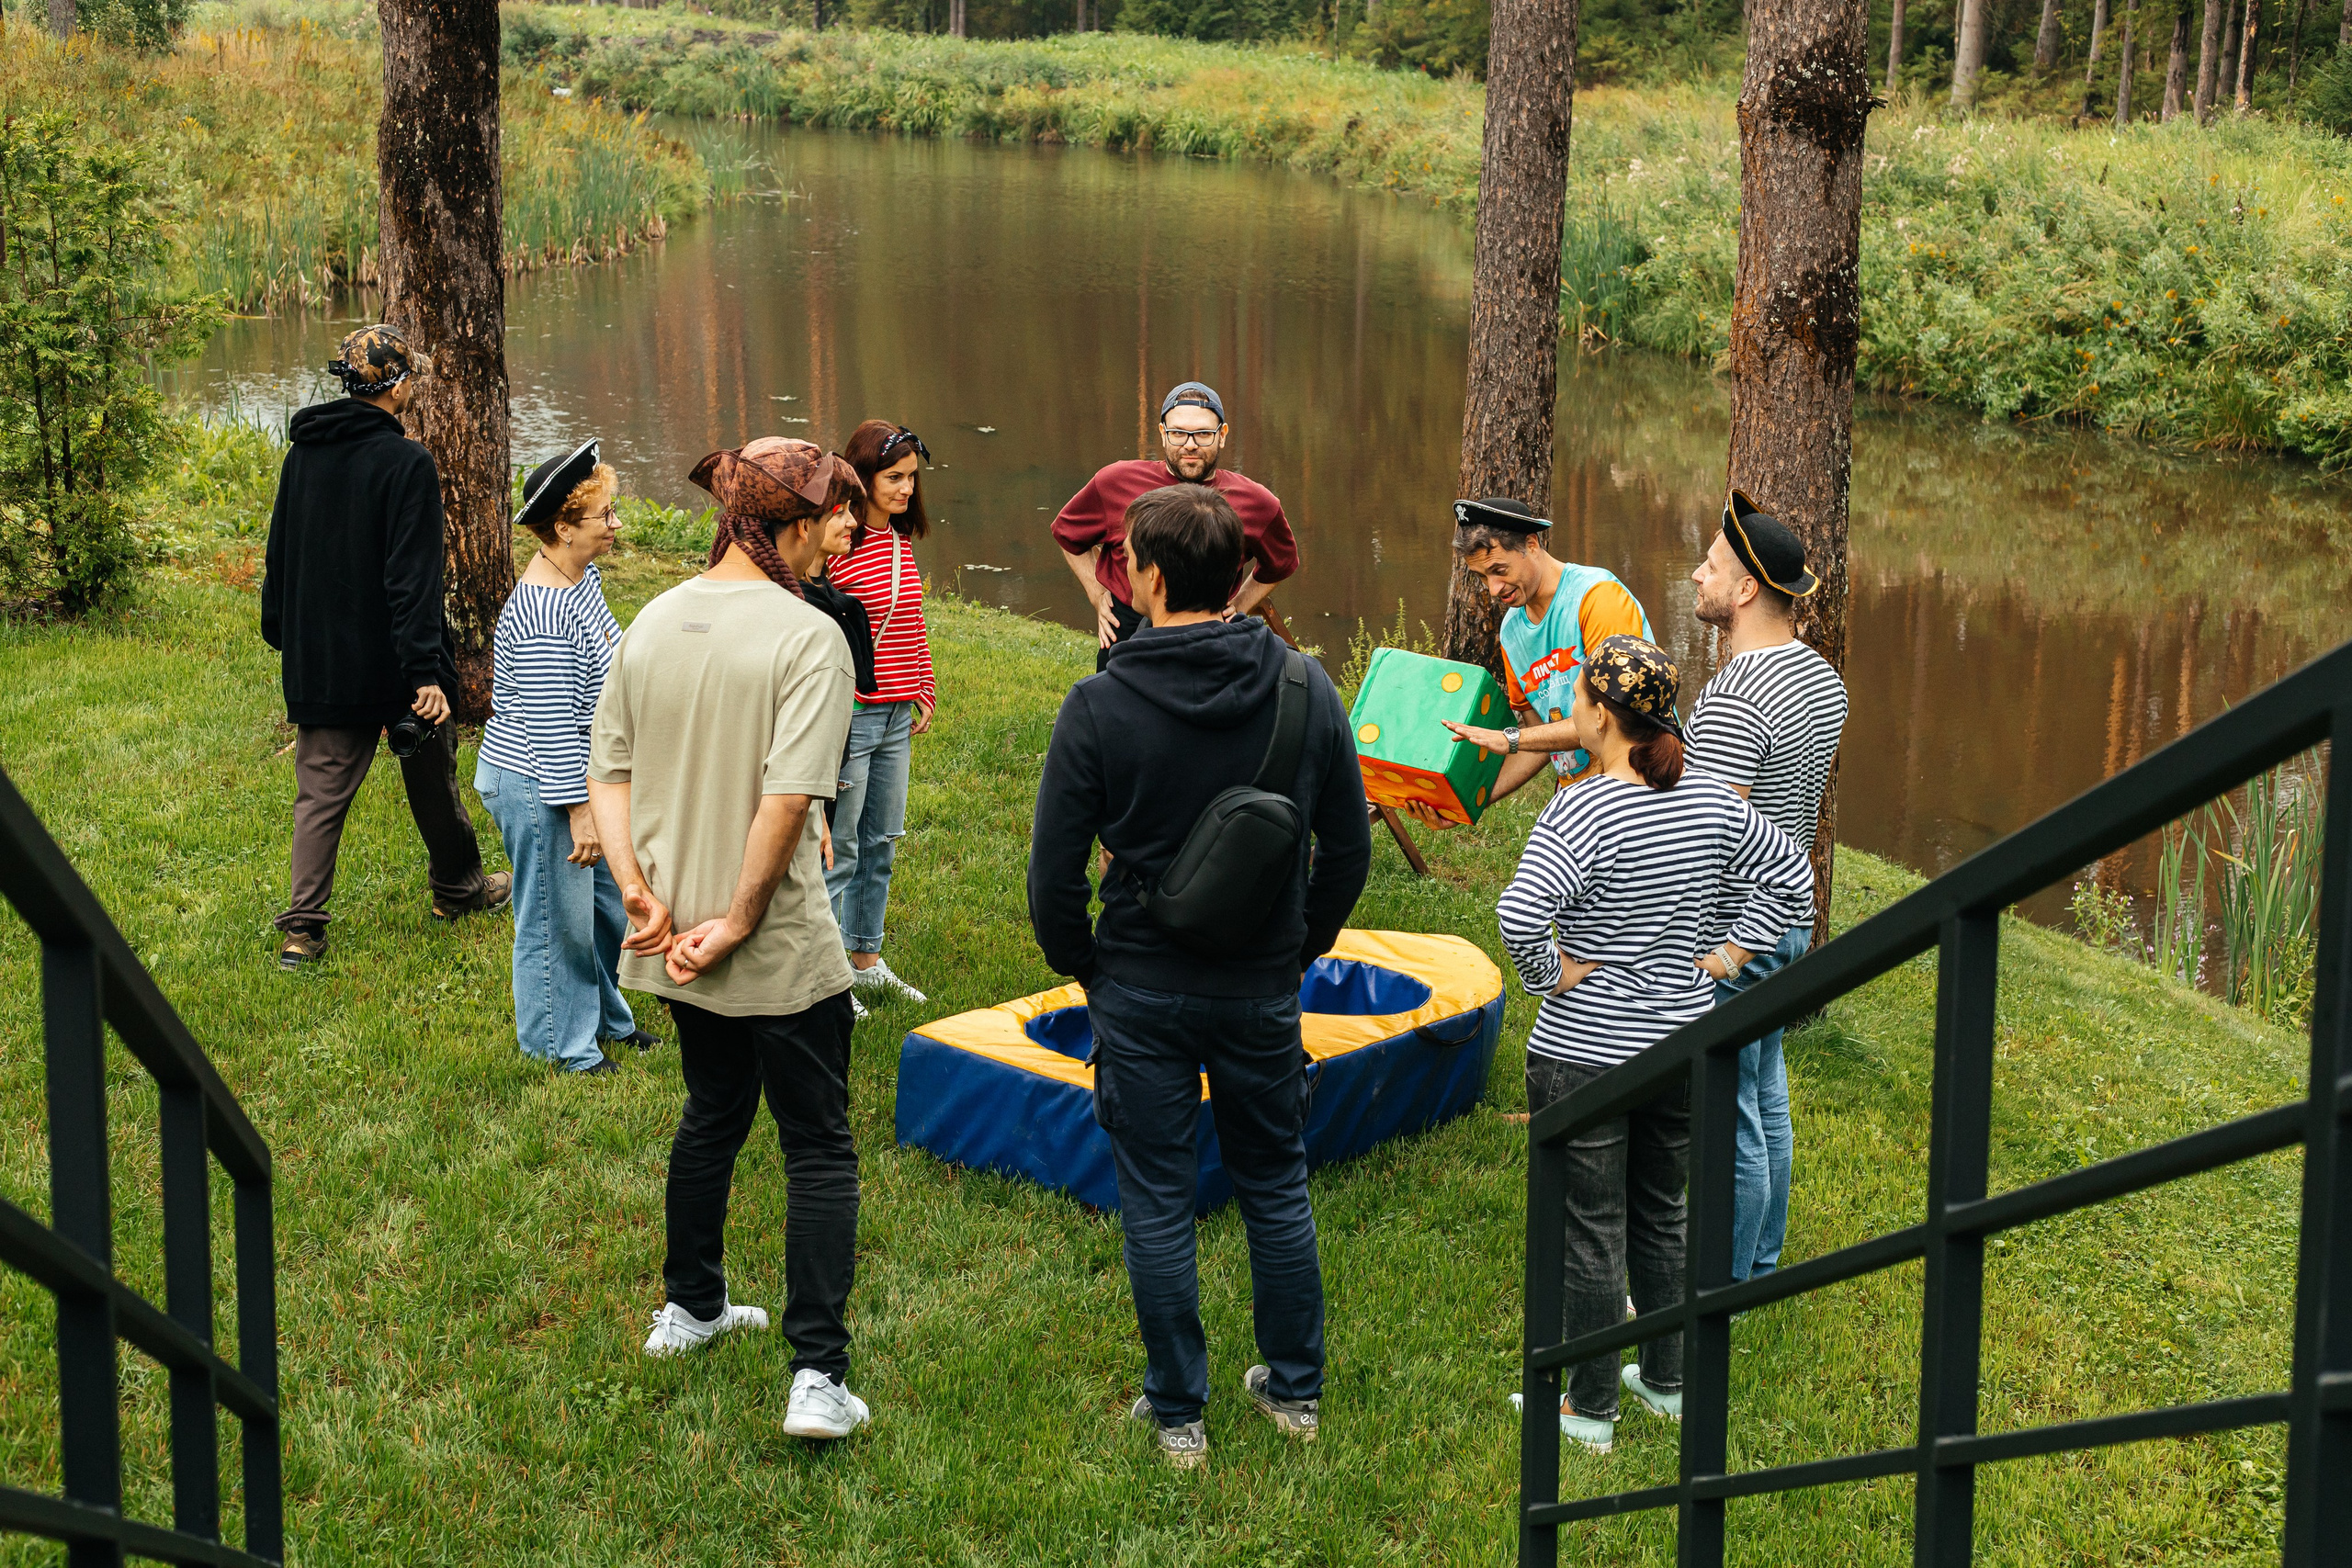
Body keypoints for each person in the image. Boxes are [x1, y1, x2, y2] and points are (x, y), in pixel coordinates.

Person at [1027, 485, 1372, 1470]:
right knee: (1274, 1181)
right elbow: (1346, 853)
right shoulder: (1308, 687)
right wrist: (1295, 949)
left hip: (1138, 982)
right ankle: (1293, 1392)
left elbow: (1052, 876)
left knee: (1158, 1195)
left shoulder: (1097, 703)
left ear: (1156, 578)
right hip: (1260, 985)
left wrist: (1085, 964)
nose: (1122, 573)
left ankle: (1179, 1409)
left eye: (1129, 560)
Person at [586, 437, 873, 1440]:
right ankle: (816, 1376)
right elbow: (788, 799)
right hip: (770, 941)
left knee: (713, 1110)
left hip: (669, 938)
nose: (834, 544)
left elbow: (607, 774)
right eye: (824, 523)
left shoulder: (653, 620)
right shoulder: (809, 637)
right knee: (818, 1146)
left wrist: (635, 892)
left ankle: (692, 1307)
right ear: (786, 528)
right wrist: (744, 919)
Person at [1496, 636, 1811, 1455]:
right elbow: (1793, 877)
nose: (1570, 709)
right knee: (1663, 1213)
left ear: (1601, 715)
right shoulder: (1709, 798)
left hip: (1584, 1055)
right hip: (1681, 1047)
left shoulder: (1581, 806)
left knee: (1590, 1228)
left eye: (1576, 697)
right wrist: (1735, 952)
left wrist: (1552, 975)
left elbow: (1519, 913)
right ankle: (1667, 1381)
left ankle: (1590, 1407)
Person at [260, 323, 507, 971]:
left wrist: (281, 628)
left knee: (319, 793)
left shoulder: (302, 455)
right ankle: (458, 890)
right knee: (431, 773)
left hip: (324, 662)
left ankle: (302, 932)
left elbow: (280, 553)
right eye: (411, 378)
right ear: (396, 387)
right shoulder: (407, 462)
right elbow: (412, 577)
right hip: (397, 663)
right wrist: (426, 668)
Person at [1685, 491, 1848, 1285]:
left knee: (1730, 1111)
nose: (1697, 575)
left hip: (1736, 928)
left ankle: (1719, 1286)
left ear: (1746, 589)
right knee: (1765, 1081)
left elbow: (1710, 832)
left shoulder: (1738, 694)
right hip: (1790, 917)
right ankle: (1763, 1259)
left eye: (1711, 567)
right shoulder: (1823, 678)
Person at [474, 440, 658, 1077]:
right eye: (604, 515)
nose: (616, 524)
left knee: (603, 907)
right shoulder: (546, 613)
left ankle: (608, 1020)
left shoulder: (581, 579)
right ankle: (562, 1044)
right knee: (556, 920)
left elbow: (613, 645)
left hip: (584, 773)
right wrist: (580, 810)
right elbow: (552, 725)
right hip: (538, 781)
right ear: (562, 526)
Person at [1052, 381, 1299, 671]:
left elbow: (1281, 564)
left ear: (1222, 436)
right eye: (1178, 433)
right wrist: (1097, 594)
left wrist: (1240, 604)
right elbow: (1069, 534)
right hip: (1127, 630)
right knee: (1117, 711)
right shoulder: (1115, 481)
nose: (1190, 444)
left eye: (1203, 434)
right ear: (1162, 433)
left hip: (1210, 633)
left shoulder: (1257, 502)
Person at [822, 419, 940, 1007]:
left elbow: (910, 624)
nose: (905, 490)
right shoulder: (838, 546)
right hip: (852, 719)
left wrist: (924, 684)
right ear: (861, 478)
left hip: (896, 716)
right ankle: (825, 970)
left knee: (882, 842)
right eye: (893, 478)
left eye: (912, 479)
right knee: (840, 846)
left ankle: (865, 956)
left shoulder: (900, 542)